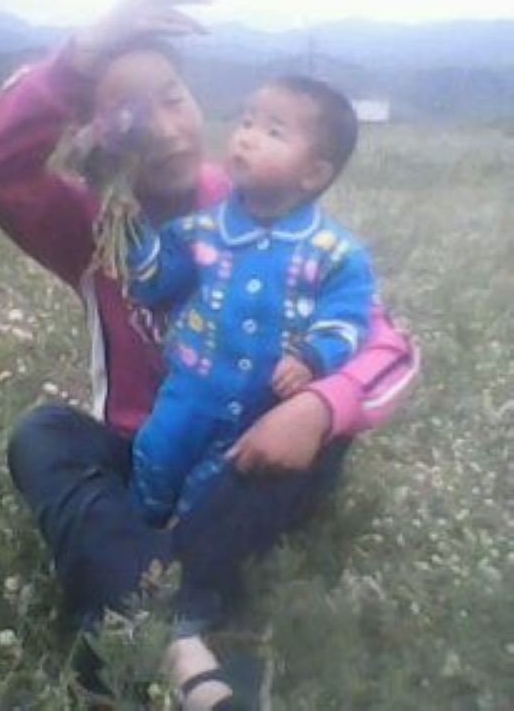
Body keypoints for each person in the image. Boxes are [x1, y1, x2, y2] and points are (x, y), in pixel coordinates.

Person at [0, 0, 419, 708]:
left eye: (173, 98)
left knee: (328, 436)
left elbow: (386, 346)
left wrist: (318, 407)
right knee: (43, 435)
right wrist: (81, 55)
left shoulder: (266, 207)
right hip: (142, 452)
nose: (166, 129)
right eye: (131, 115)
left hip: (245, 456)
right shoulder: (93, 227)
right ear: (97, 135)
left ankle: (128, 613)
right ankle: (184, 632)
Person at [125, 75, 376, 526]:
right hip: (188, 397)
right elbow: (153, 284)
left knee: (216, 494)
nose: (246, 137)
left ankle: (184, 546)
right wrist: (130, 229)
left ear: (313, 173)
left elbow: (348, 319)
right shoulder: (197, 232)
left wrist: (312, 356)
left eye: (273, 131)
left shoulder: (336, 254)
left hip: (263, 416)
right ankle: (137, 531)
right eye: (246, 121)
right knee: (156, 458)